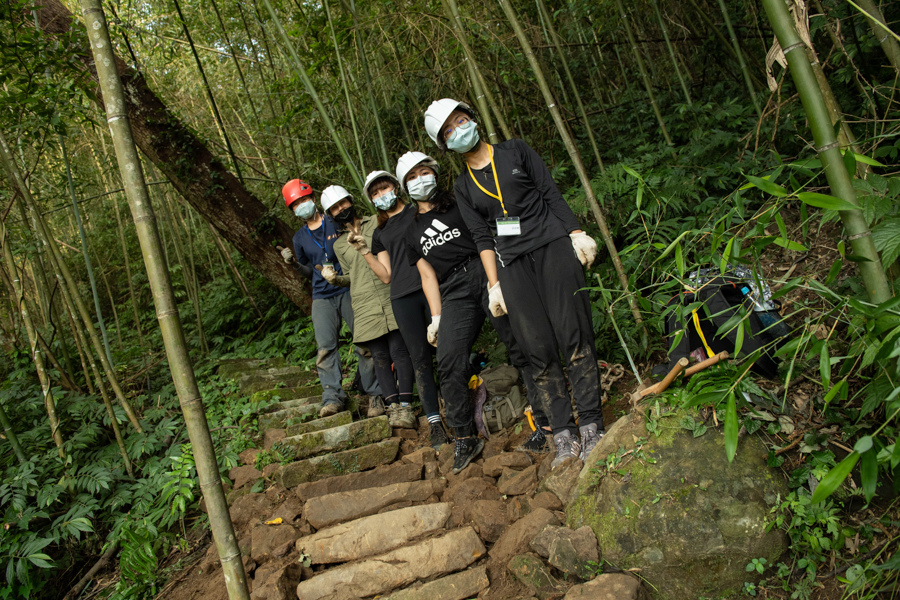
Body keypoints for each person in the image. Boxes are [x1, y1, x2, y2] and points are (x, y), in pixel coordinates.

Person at [424, 98, 605, 468]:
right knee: (537, 349)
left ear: (472, 118)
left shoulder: (515, 151)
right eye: (449, 130)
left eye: (461, 120)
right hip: (512, 266)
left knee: (574, 335)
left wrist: (576, 231)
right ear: (445, 145)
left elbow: (550, 192)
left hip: (552, 246)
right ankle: (564, 434)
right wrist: (494, 285)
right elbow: (481, 237)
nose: (459, 129)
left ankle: (591, 424)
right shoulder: (462, 185)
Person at [398, 151, 550, 471]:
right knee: (449, 359)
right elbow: (427, 275)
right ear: (404, 186)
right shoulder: (410, 231)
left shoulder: (458, 198)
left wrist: (508, 265)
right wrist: (436, 317)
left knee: (517, 341)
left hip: (485, 271)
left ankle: (546, 420)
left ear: (434, 173)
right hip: (453, 291)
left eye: (423, 171)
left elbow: (493, 225)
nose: (419, 179)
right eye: (411, 176)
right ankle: (466, 438)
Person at [347, 168, 448, 448]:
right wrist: (364, 250)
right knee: (419, 359)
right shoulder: (380, 232)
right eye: (375, 193)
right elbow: (386, 275)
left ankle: (455, 405)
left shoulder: (418, 212)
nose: (382, 195)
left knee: (448, 349)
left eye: (384, 188)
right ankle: (434, 422)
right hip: (402, 297)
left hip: (432, 287)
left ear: (396, 186)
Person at [279, 179, 382, 418]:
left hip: (348, 288)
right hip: (322, 296)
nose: (302, 206)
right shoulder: (299, 238)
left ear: (313, 199)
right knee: (326, 348)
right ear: (293, 211)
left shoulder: (334, 221)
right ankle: (333, 397)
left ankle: (375, 393)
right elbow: (307, 271)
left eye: (304, 200)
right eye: (296, 204)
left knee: (364, 341)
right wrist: (293, 264)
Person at [320, 184, 418, 429]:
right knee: (379, 357)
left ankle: (406, 407)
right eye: (334, 208)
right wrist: (335, 279)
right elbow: (352, 276)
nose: (341, 209)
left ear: (351, 202)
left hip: (390, 291)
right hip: (363, 303)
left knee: (400, 351)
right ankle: (392, 407)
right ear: (330, 214)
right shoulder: (339, 245)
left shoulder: (377, 221)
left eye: (343, 203)